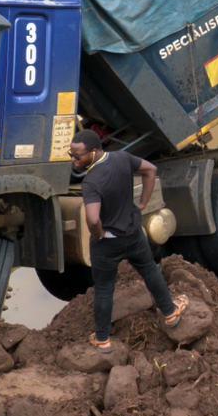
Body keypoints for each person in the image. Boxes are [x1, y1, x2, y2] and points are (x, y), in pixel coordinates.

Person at [68, 131, 191, 351]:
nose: (73, 160)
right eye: (71, 154)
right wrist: (143, 203)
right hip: (133, 233)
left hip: (107, 243)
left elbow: (93, 218)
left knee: (105, 288)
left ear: (94, 152)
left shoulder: (92, 182)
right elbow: (150, 170)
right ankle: (171, 313)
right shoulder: (122, 158)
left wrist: (97, 235)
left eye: (77, 156)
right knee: (150, 271)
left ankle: (102, 339)